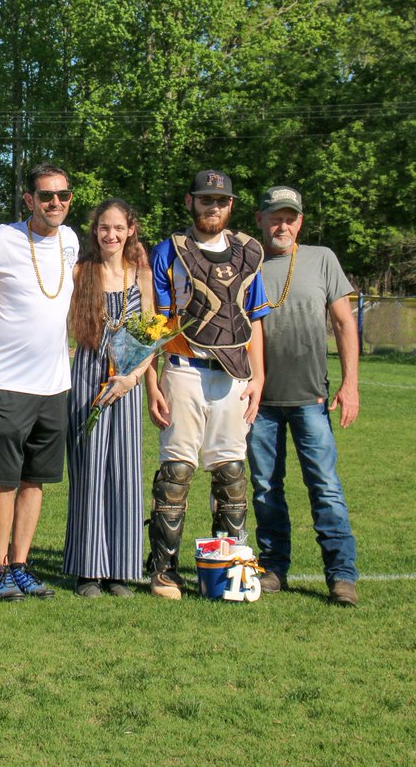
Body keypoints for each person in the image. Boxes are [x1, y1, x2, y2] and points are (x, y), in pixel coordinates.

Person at [145, 169, 270, 600]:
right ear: (190, 202)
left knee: (232, 473)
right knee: (176, 471)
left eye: (220, 201)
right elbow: (155, 324)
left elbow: (254, 321)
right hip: (183, 367)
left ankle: (228, 566)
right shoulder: (169, 252)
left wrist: (259, 378)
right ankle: (163, 570)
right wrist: (152, 382)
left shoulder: (249, 254)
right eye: (204, 200)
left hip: (234, 374)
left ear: (230, 206)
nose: (212, 207)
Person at [249, 185, 360, 606]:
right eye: (274, 216)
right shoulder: (246, 262)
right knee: (264, 487)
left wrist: (350, 384)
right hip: (259, 403)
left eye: (290, 217)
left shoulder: (322, 259)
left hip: (311, 398)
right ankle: (274, 567)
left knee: (325, 486)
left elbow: (345, 324)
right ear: (259, 220)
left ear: (300, 222)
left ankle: (341, 574)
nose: (282, 224)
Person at [0, 164, 79, 601]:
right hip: (5, 378)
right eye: (46, 196)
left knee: (35, 479)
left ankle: (20, 564)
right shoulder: (1, 239)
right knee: (4, 479)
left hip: (55, 382)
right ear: (29, 199)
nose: (55, 203)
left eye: (63, 195)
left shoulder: (71, 240)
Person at [64, 199, 154, 598]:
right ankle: (88, 569)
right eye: (104, 227)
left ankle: (120, 568)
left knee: (124, 472)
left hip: (127, 384)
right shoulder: (81, 272)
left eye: (118, 227)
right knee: (90, 471)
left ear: (130, 229)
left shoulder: (141, 275)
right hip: (88, 379)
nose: (111, 235)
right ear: (94, 230)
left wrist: (133, 377)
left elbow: (152, 334)